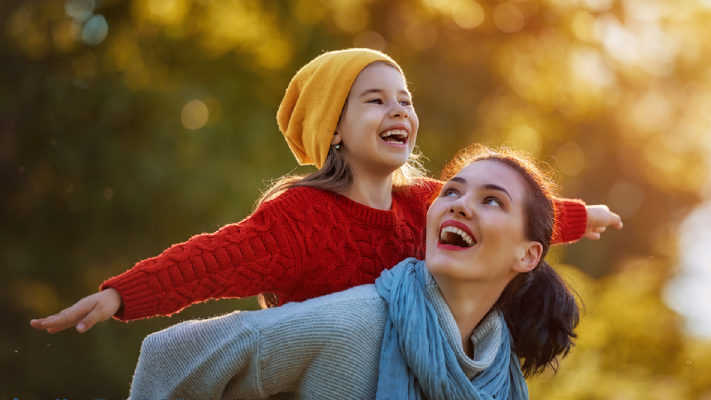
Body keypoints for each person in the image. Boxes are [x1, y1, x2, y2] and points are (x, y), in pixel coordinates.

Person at [30, 48, 620, 335]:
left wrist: (577, 216)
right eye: (376, 99)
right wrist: (122, 296)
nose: (399, 110)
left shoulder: (426, 202)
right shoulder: (300, 219)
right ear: (333, 129)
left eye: (405, 100)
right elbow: (211, 261)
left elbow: (501, 214)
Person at [128, 145, 581, 400]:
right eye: (452, 191)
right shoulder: (356, 324)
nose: (460, 203)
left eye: (491, 200)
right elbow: (169, 355)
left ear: (527, 256)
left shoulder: (500, 372)